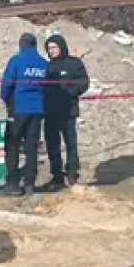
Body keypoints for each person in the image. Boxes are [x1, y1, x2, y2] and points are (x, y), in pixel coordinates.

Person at [0, 33, 49, 196]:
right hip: (37, 109)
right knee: (31, 147)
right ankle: (29, 184)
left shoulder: (17, 60)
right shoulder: (43, 64)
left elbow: (7, 84)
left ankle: (12, 184)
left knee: (12, 144)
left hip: (19, 108)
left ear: (21, 45)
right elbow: (48, 87)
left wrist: (5, 99)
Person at [42, 34, 90, 190]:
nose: (52, 51)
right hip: (50, 111)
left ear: (61, 47)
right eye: (49, 49)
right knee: (52, 145)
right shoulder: (47, 67)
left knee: (70, 144)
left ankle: (72, 173)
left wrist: (69, 91)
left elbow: (83, 82)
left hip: (68, 110)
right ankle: (57, 176)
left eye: (54, 47)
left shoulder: (74, 64)